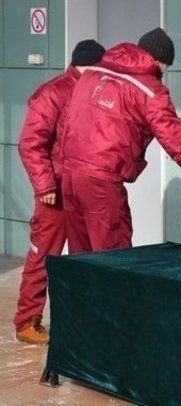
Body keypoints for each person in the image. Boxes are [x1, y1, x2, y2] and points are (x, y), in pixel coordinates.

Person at [61, 28, 181, 254]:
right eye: (165, 68)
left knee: (79, 259)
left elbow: (70, 118)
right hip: (102, 184)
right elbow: (180, 143)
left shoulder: (93, 72)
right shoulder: (150, 90)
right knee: (114, 260)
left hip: (70, 175)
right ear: (159, 62)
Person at [14, 40, 106, 345]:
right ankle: (28, 321)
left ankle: (80, 319)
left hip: (83, 188)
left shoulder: (96, 92)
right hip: (54, 192)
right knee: (44, 254)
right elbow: (30, 143)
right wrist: (45, 185)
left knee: (84, 256)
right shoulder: (52, 93)